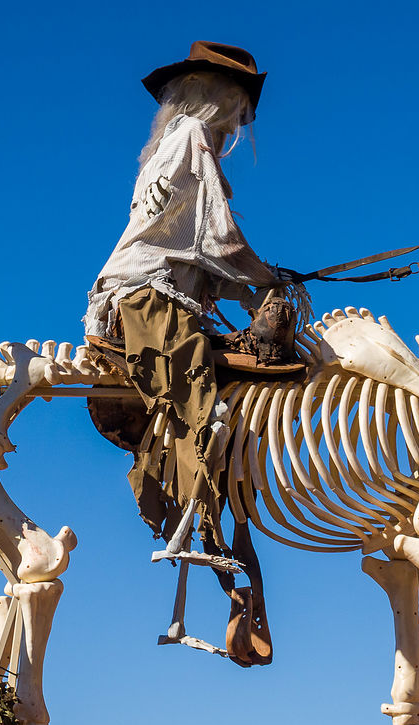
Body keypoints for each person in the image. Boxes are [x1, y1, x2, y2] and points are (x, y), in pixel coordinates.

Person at [84, 41, 297, 575]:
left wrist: (252, 289)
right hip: (150, 302)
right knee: (202, 404)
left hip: (141, 293)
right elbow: (217, 241)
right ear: (215, 97)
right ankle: (198, 524)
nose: (240, 120)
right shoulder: (194, 138)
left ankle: (197, 515)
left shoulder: (164, 149)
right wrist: (268, 282)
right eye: (237, 104)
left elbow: (195, 257)